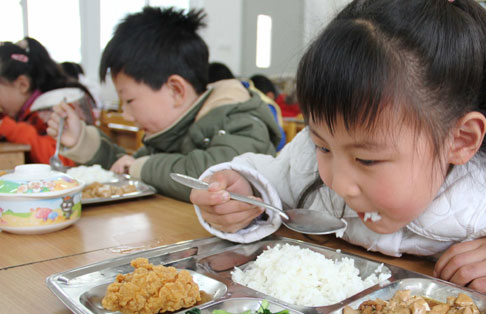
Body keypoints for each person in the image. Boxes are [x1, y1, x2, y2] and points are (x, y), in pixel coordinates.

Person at [189, 0, 486, 309]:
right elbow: (276, 179)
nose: (335, 178)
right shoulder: (317, 157)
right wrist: (243, 190)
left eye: (367, 160)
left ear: (460, 140)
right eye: (322, 145)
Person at [47, 7, 281, 202]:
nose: (126, 114)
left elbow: (211, 176)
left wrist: (138, 167)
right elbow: (128, 167)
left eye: (129, 100)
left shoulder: (240, 116)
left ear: (175, 90)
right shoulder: (168, 132)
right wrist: (82, 142)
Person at [0, 38, 93, 166]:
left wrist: (11, 129)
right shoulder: (26, 109)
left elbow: (64, 160)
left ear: (23, 84)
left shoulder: (60, 103)